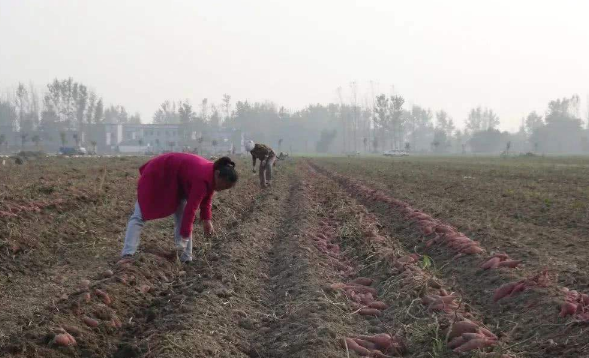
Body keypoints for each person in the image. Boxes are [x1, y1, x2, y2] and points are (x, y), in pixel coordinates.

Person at [120, 153, 238, 263]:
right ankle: (127, 254)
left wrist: (207, 220)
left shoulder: (211, 175)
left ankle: (186, 258)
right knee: (139, 215)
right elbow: (190, 210)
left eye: (226, 188)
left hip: (177, 181)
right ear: (217, 174)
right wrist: (185, 237)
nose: (222, 189)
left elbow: (206, 199)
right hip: (159, 174)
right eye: (223, 185)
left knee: (181, 216)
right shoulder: (202, 179)